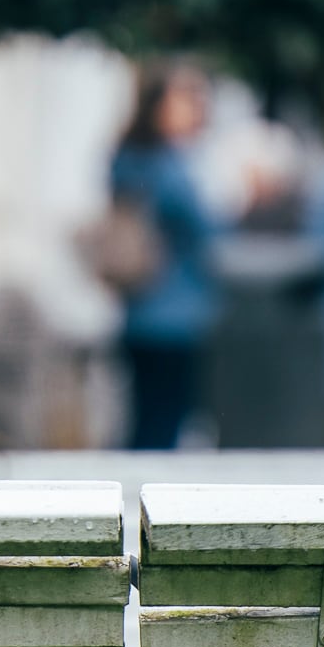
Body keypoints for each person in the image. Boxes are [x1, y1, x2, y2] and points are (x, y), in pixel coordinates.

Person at [109, 63, 222, 448]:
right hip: (173, 314)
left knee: (145, 416)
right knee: (164, 422)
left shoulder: (125, 158)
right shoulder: (169, 165)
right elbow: (204, 228)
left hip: (137, 311)